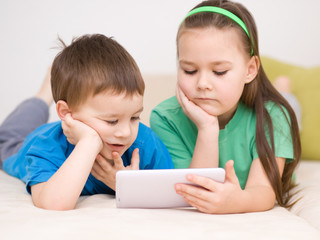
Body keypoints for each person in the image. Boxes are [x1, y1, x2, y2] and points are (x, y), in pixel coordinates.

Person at [150, 0, 301, 214]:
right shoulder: (164, 117)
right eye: (189, 70)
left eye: (219, 72)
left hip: (272, 107)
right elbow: (193, 192)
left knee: (289, 106)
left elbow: (264, 192)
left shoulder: (273, 115)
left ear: (250, 70)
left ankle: (284, 89)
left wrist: (237, 202)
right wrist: (207, 129)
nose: (202, 84)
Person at [0, 34, 173, 210]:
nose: (126, 132)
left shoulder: (144, 143)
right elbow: (54, 203)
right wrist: (89, 141)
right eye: (112, 121)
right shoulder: (46, 146)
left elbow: (173, 192)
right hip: (21, 144)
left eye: (134, 117)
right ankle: (43, 96)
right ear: (67, 113)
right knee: (9, 137)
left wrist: (127, 186)